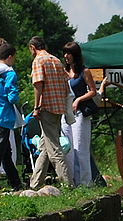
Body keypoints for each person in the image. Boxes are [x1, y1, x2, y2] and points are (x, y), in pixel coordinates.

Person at [28, 36, 73, 189]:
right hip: (59, 107)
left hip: (46, 107)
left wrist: (36, 107)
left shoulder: (38, 61)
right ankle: (34, 184)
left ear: (33, 48)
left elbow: (38, 85)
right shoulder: (56, 60)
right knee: (44, 146)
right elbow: (66, 84)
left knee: (54, 148)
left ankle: (68, 185)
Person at [61, 42, 97, 187]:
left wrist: (78, 99)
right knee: (68, 148)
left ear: (75, 55)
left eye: (68, 53)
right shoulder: (64, 71)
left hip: (80, 113)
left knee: (80, 147)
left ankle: (86, 182)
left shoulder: (84, 71)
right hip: (65, 113)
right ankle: (72, 181)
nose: (66, 56)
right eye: (64, 53)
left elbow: (93, 90)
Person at [0, 43, 23, 190]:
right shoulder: (10, 74)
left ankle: (15, 182)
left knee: (6, 152)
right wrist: (16, 94)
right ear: (9, 57)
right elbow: (12, 98)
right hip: (3, 116)